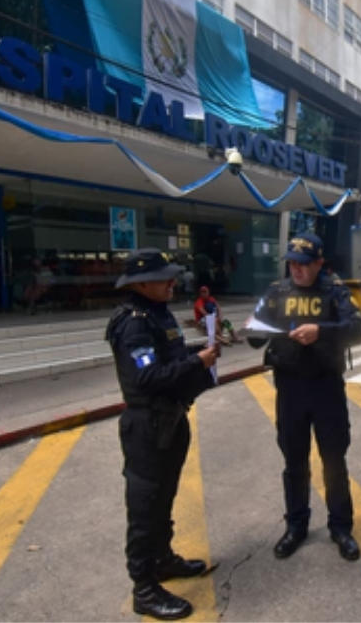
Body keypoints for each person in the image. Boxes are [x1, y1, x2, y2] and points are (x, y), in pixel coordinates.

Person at [105, 248, 221, 620]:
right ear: (141, 284)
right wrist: (196, 362)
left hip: (170, 420)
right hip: (147, 427)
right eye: (164, 278)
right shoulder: (134, 323)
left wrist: (199, 351)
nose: (173, 282)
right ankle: (144, 587)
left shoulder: (158, 312)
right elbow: (146, 377)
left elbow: (167, 357)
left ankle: (162, 559)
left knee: (164, 495)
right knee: (145, 505)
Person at [248, 233, 361, 562]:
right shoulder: (276, 292)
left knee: (334, 460)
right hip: (290, 390)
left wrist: (321, 331)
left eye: (303, 264)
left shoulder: (335, 291)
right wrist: (252, 328)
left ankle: (341, 527)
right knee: (294, 462)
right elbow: (255, 337)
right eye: (291, 263)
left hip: (326, 388)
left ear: (319, 263)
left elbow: (357, 328)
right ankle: (296, 526)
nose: (296, 270)